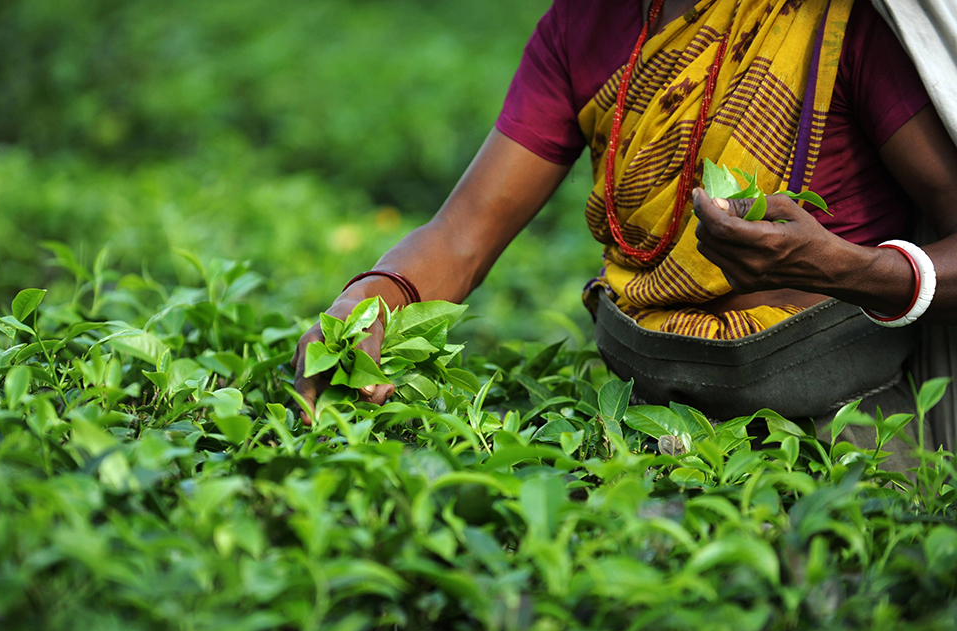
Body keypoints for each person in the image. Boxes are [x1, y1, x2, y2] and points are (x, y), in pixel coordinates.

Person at [292, 0, 957, 441]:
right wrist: (363, 305)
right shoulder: (585, 26)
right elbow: (461, 236)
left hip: (841, 432)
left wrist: (848, 269)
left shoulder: (837, 22)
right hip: (648, 418)